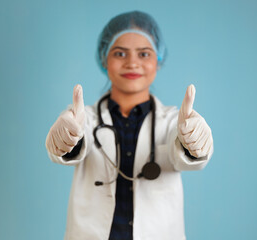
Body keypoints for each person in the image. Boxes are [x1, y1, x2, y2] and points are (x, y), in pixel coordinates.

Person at [45, 10, 213, 240]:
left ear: (159, 60)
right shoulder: (84, 118)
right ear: (105, 58)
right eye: (120, 53)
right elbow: (71, 145)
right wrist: (66, 140)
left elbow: (185, 154)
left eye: (144, 54)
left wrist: (193, 143)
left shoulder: (173, 122)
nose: (132, 63)